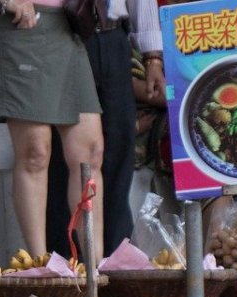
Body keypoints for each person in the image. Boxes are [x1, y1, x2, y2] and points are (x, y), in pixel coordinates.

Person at [0, 0, 104, 267]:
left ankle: (94, 268)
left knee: (90, 153)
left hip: (68, 23)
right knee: (35, 152)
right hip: (21, 21)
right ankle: (38, 263)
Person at [46, 1, 161, 259]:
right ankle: (66, 261)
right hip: (62, 34)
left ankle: (115, 258)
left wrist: (152, 55)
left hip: (113, 39)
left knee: (118, 151)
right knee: (65, 159)